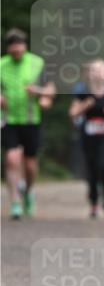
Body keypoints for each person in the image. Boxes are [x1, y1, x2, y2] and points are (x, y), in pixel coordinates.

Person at [0, 27, 55, 219]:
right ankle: (15, 202)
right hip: (8, 119)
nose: (16, 49)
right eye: (12, 46)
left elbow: (50, 91)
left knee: (30, 165)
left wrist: (39, 93)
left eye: (19, 45)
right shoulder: (1, 65)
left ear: (25, 46)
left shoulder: (36, 63)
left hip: (32, 120)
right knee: (12, 158)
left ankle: (29, 191)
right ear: (8, 48)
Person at [69, 59, 104, 218]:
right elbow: (72, 113)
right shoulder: (83, 92)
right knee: (92, 170)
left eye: (101, 70)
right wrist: (86, 105)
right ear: (89, 74)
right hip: (88, 138)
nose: (98, 73)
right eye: (95, 70)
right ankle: (93, 204)